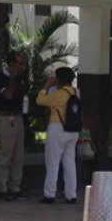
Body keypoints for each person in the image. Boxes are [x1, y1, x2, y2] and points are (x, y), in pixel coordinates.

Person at [36, 66, 80, 204]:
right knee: (69, 162)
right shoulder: (76, 92)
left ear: (58, 79)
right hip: (73, 130)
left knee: (53, 162)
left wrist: (46, 86)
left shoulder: (60, 94)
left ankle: (49, 194)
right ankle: (71, 195)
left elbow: (40, 100)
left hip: (58, 128)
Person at [0, 52, 29, 201]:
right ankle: (2, 187)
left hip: (18, 116)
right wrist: (12, 78)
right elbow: (8, 95)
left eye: (22, 64)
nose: (21, 67)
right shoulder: (1, 77)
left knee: (18, 155)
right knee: (6, 154)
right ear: (11, 64)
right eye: (18, 64)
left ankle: (15, 186)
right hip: (6, 117)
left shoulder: (21, 77)